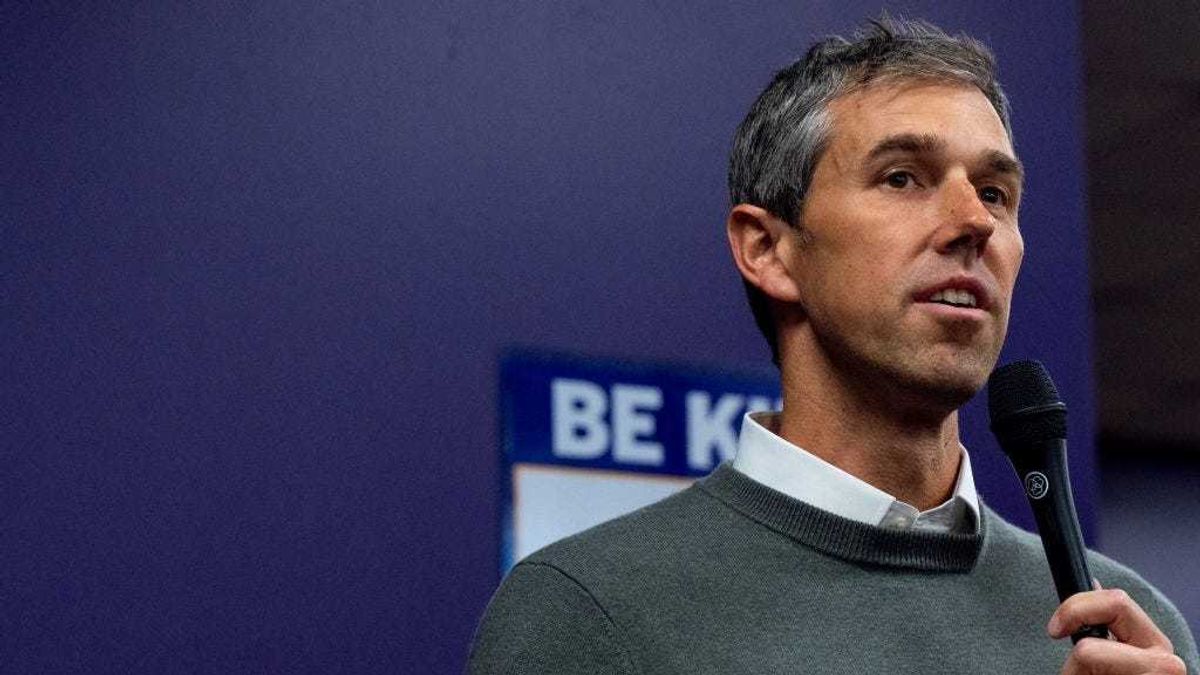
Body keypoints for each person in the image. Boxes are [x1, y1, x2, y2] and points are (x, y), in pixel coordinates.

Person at [468, 18, 1199, 674]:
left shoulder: (1127, 630)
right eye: (903, 177)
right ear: (769, 251)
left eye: (996, 193)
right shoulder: (589, 614)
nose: (972, 220)